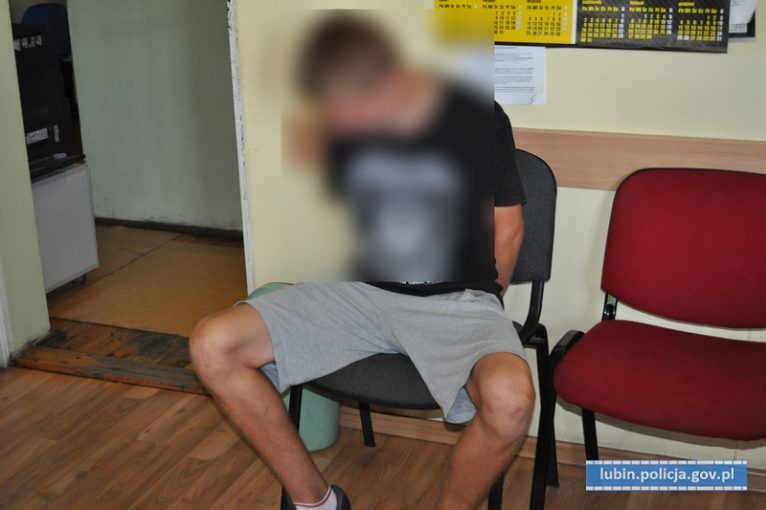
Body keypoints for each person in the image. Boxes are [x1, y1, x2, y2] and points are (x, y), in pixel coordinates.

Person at [190, 13, 533, 510]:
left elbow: (509, 227)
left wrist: (484, 300)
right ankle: (317, 502)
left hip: (457, 301)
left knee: (512, 400)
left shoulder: (475, 116)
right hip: (360, 294)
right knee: (212, 345)